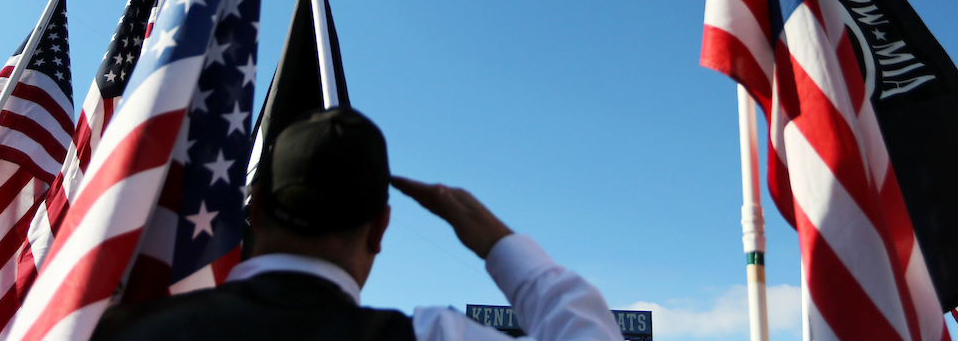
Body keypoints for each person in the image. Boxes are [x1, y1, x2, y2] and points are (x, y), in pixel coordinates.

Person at [92, 108, 624, 341]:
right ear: (380, 229)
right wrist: (499, 245)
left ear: (253, 210)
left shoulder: (111, 330)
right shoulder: (432, 336)